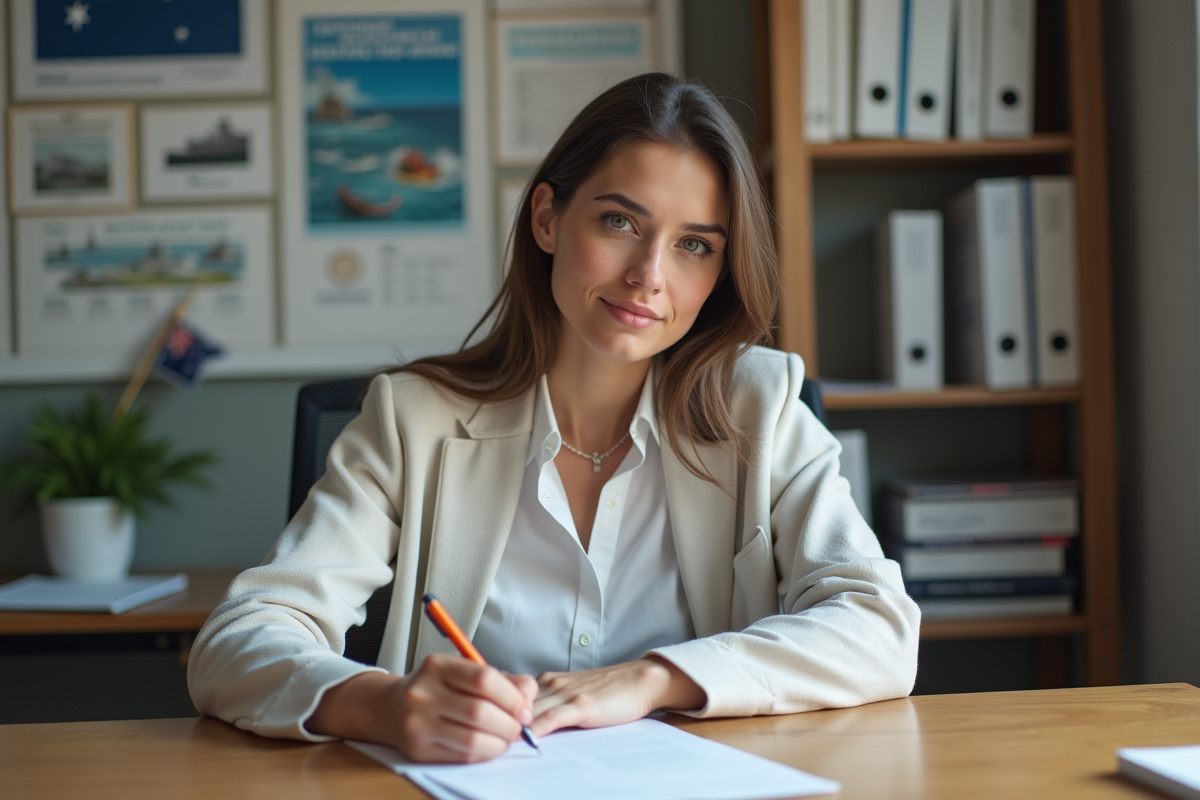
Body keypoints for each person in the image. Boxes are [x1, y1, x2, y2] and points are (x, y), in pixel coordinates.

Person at [188, 72, 920, 763]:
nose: (648, 275)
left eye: (694, 245)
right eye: (619, 222)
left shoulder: (759, 407)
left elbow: (881, 629)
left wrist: (652, 679)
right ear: (547, 218)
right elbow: (236, 644)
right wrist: (383, 704)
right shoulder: (414, 420)